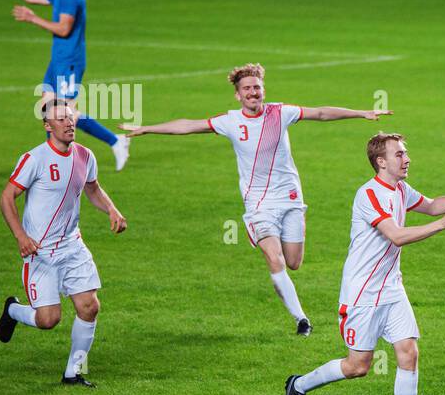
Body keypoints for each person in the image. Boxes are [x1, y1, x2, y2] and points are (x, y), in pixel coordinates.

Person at [120, 63, 391, 333]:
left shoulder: (280, 113)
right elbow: (189, 125)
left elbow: (320, 113)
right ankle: (302, 320)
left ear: (263, 90)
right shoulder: (230, 121)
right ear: (238, 95)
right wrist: (147, 129)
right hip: (258, 205)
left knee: (293, 262)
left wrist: (361, 113)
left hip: (290, 198)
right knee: (275, 259)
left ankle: (290, 291)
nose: (253, 92)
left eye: (257, 87)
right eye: (247, 88)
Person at [280, 133, 445, 395]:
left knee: (409, 353)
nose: (407, 158)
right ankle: (299, 385)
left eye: (406, 152)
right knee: (358, 366)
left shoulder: (400, 189)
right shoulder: (369, 194)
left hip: (392, 290)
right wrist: (441, 225)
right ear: (381, 161)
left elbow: (432, 205)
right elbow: (396, 236)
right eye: (399, 154)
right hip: (362, 295)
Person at [0, 99, 127, 386]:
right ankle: (13, 310)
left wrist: (112, 210)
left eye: (71, 117)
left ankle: (74, 372)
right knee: (48, 320)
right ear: (47, 126)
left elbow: (93, 189)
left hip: (72, 246)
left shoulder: (85, 155)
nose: (69, 123)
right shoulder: (35, 159)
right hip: (40, 252)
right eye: (61, 119)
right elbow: (6, 198)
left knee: (89, 307)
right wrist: (21, 236)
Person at [0, 0, 131, 168]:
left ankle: (111, 143)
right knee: (49, 110)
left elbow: (64, 29)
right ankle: (109, 143)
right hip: (58, 62)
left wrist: (32, 19)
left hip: (70, 63)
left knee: (63, 115)